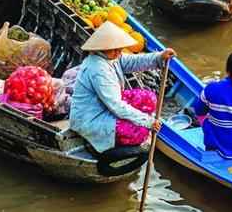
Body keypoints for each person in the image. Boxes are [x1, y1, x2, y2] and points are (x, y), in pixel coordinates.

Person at [69, 21, 174, 154]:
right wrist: (148, 122)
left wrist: (159, 57)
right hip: (91, 116)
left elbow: (132, 61)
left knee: (149, 98)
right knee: (140, 132)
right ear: (102, 49)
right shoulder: (98, 69)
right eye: (114, 49)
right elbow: (116, 105)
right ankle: (104, 143)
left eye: (119, 48)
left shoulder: (111, 57)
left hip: (105, 104)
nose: (119, 52)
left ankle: (135, 121)